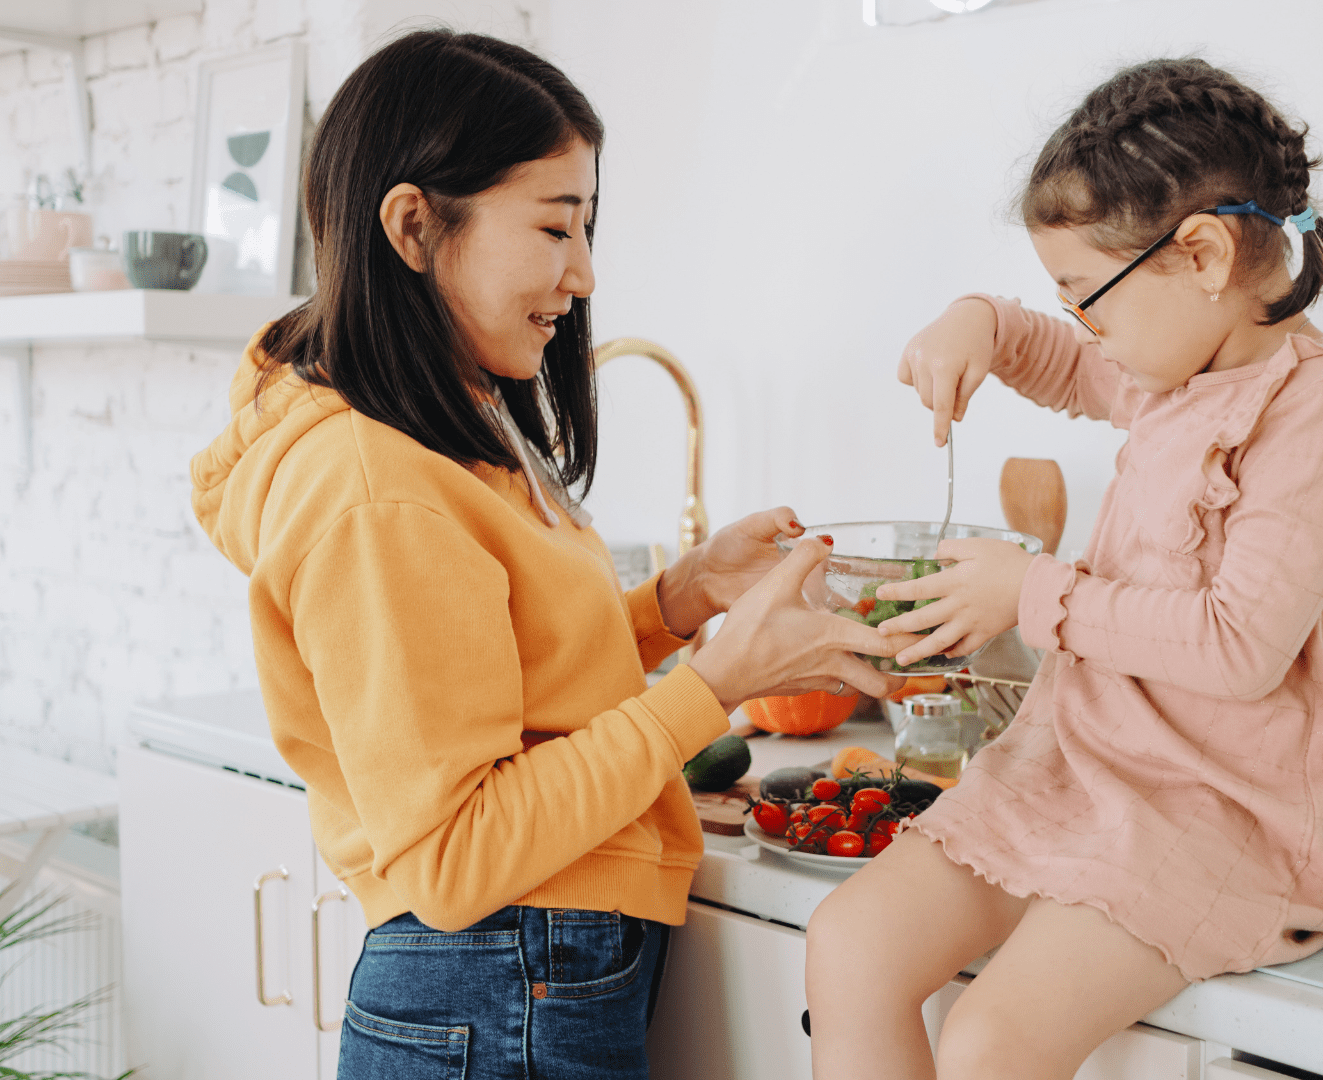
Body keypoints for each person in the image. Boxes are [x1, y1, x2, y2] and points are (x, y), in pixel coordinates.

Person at [190, 30, 913, 1080]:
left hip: (509, 985)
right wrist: (711, 685)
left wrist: (674, 601)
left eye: (586, 227)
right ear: (413, 226)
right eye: (553, 226)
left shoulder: (437, 429)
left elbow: (500, 675)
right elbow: (456, 858)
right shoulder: (374, 488)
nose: (582, 273)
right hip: (495, 987)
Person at [806, 57, 1323, 1080]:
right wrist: (983, 321)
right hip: (1081, 771)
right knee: (847, 944)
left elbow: (1240, 646)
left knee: (991, 1038)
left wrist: (1027, 592)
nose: (1086, 330)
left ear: (1202, 254)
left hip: (1227, 816)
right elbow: (1062, 361)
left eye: (1088, 298)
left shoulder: (1321, 409)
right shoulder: (1175, 365)